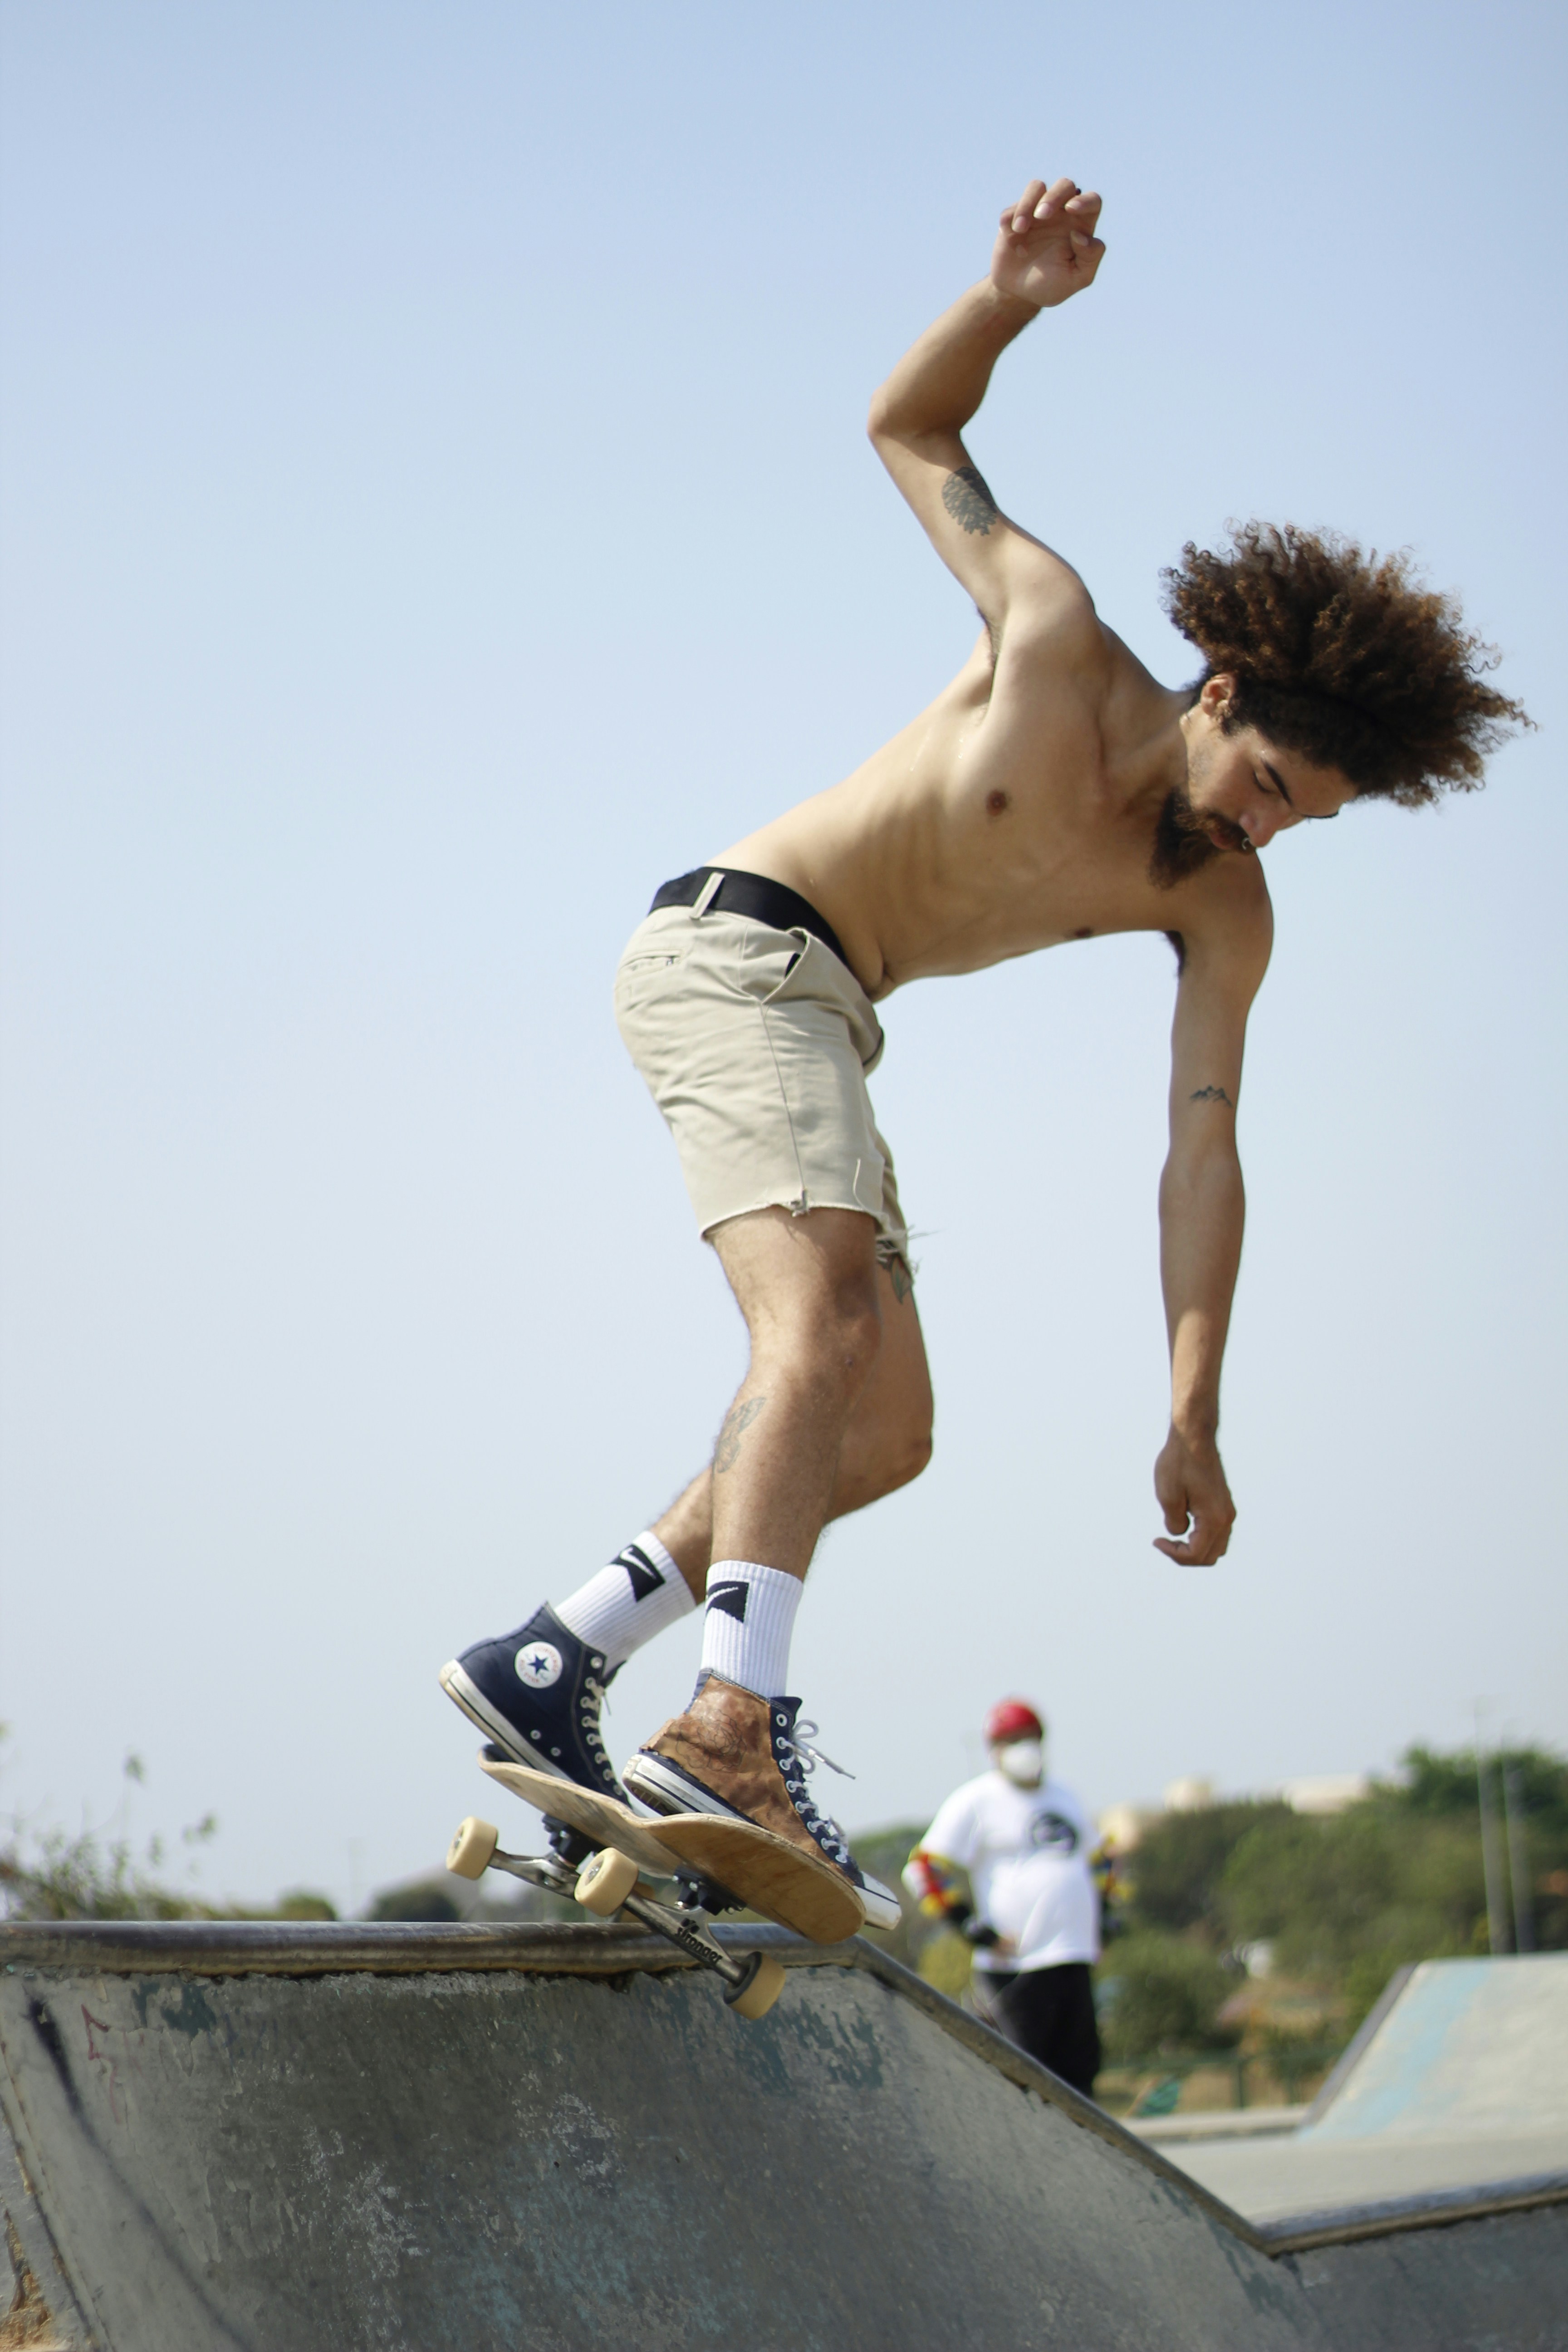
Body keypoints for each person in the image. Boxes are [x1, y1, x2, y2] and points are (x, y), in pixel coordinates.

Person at [440, 176, 1527, 1929]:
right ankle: (729, 1725)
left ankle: (555, 1652)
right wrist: (1009, 300)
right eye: (1265, 788)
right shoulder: (1051, 635)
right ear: (1220, 695)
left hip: (829, 1019)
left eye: (1302, 823)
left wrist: (1190, 1406)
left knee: (883, 1428)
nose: (1262, 833)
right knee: (820, 1325)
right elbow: (907, 425)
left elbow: (1202, 1150)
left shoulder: (1222, 909)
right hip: (738, 948)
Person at [905, 1700, 1103, 2094]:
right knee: (1027, 2078)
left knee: (1082, 2074)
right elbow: (923, 1870)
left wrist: (1107, 1915)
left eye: (1028, 1738)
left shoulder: (1065, 1795)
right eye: (1010, 1740)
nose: (1022, 1748)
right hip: (1017, 1963)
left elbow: (1101, 1860)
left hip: (1074, 1955)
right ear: (993, 1750)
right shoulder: (977, 1799)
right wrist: (969, 1925)